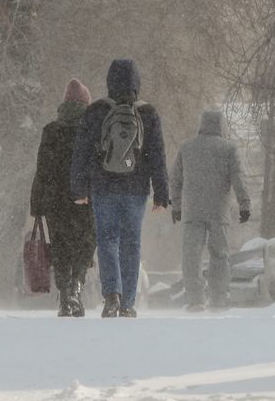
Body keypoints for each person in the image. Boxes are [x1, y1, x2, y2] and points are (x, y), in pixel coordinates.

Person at [70, 59, 168, 318]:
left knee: (107, 241)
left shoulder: (96, 111)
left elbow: (81, 152)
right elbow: (157, 156)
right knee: (131, 243)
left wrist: (80, 189)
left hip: (104, 188)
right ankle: (127, 304)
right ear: (137, 83)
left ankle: (111, 293)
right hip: (136, 190)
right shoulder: (148, 113)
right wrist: (161, 194)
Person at [169, 110, 251, 312]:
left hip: (192, 210)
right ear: (223, 126)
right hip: (219, 210)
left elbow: (175, 179)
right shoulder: (229, 149)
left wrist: (176, 206)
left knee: (191, 255)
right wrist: (244, 204)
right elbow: (238, 178)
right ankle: (218, 298)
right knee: (220, 254)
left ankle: (195, 299)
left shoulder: (186, 147)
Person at [30, 79, 97, 317]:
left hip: (54, 201)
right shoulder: (92, 131)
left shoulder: (51, 130)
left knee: (59, 247)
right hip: (85, 199)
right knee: (84, 245)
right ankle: (76, 290)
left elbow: (42, 169)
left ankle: (64, 297)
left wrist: (37, 204)